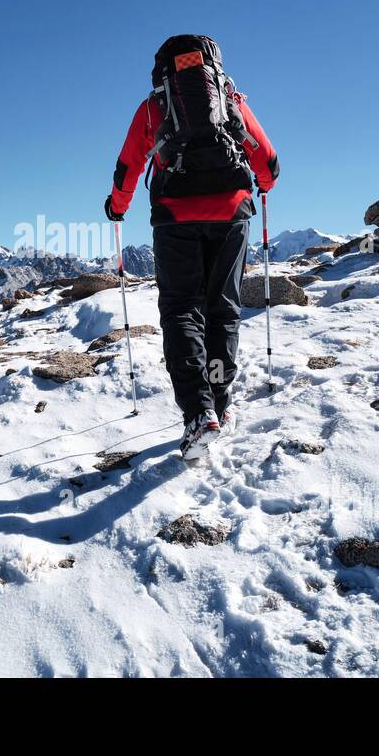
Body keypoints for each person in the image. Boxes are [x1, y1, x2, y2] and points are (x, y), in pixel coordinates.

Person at [104, 35, 279, 462]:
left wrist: (116, 206)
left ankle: (199, 413)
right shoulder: (230, 100)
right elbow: (268, 159)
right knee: (223, 309)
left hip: (174, 215)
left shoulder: (154, 107)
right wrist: (264, 184)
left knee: (182, 309)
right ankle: (218, 403)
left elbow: (130, 164)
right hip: (232, 212)